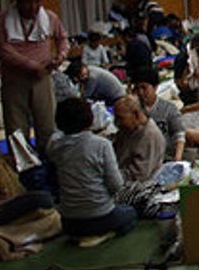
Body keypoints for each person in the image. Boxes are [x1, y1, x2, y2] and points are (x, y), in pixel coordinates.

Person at [0, 0, 69, 150]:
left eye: (37, 2)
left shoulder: (49, 17)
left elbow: (62, 38)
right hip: (15, 80)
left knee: (47, 124)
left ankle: (48, 162)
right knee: (16, 127)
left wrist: (61, 55)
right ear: (18, 1)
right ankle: (23, 166)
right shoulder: (2, 21)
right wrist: (31, 65)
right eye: (28, 2)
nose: (33, 7)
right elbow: (5, 50)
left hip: (42, 79)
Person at [45, 97, 136, 240]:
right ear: (90, 118)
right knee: (130, 213)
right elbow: (116, 185)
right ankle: (103, 235)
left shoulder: (54, 146)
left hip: (69, 222)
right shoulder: (101, 145)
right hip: (101, 216)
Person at [112, 96, 166, 215]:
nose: (117, 123)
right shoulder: (126, 132)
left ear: (136, 114)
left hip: (138, 186)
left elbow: (141, 174)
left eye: (121, 118)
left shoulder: (149, 135)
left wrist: (112, 176)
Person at [130, 67, 187, 162]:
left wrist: (177, 159)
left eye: (144, 88)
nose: (140, 92)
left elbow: (179, 135)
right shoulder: (134, 109)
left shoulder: (168, 108)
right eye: (137, 88)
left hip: (165, 157)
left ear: (155, 87)